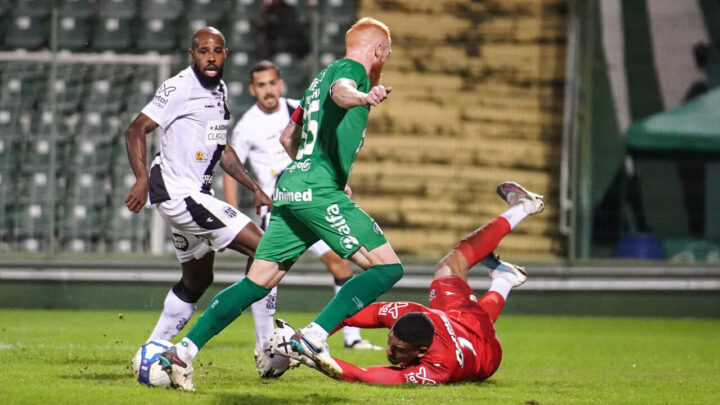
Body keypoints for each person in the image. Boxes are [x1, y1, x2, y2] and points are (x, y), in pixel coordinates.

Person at [161, 19, 542, 391]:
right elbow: (342, 91)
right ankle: (313, 335)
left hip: (293, 186)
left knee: (258, 281)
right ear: (377, 50)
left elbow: (287, 137)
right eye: (386, 56)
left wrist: (322, 174)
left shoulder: (314, 81)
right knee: (388, 267)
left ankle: (183, 352)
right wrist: (363, 98)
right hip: (317, 189)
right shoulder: (351, 71)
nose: (383, 63)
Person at [276, 183, 544, 385]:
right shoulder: (405, 312)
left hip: (486, 357)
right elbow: (346, 315)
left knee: (470, 308)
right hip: (460, 320)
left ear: (422, 352)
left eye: (401, 350)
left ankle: (515, 236)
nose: (390, 352)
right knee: (450, 269)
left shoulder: (441, 367)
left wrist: (315, 360)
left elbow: (363, 375)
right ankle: (509, 259)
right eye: (391, 342)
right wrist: (306, 339)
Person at [124, 27, 272, 346]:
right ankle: (267, 346)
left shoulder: (220, 91)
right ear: (192, 55)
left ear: (225, 55)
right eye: (203, 51)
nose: (210, 57)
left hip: (194, 196)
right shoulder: (178, 87)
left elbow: (221, 149)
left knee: (198, 280)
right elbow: (135, 130)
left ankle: (151, 351)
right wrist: (141, 179)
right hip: (180, 196)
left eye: (216, 50)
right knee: (267, 251)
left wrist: (254, 187)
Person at [223, 60, 378, 358]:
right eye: (261, 85)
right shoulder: (247, 126)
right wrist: (233, 213)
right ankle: (265, 341)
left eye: (272, 83)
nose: (268, 90)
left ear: (280, 85)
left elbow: (322, 145)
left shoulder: (298, 108)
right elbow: (233, 168)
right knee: (268, 275)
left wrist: (333, 179)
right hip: (279, 205)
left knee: (340, 262)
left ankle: (352, 337)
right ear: (252, 89)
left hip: (312, 197)